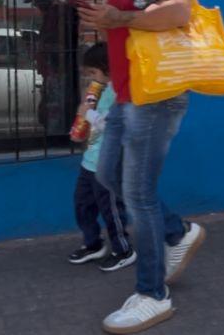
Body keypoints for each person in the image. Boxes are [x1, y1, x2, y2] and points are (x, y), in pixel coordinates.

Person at [76, 0, 205, 334]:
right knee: (109, 175)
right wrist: (107, 20)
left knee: (138, 194)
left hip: (158, 97)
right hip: (127, 96)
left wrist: (120, 17)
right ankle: (177, 232)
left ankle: (153, 294)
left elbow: (178, 11)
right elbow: (127, 28)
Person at [68, 42, 136, 273]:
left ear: (109, 68)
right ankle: (93, 243)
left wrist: (90, 114)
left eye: (94, 72)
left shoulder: (122, 91)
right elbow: (90, 121)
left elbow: (115, 124)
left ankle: (123, 249)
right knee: (82, 204)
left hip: (109, 162)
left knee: (111, 209)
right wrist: (82, 120)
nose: (92, 78)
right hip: (90, 160)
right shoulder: (101, 90)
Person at [25, 0, 67, 137]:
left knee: (53, 110)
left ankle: (55, 139)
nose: (35, 6)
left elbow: (61, 44)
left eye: (35, 2)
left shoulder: (58, 14)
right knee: (48, 109)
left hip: (56, 72)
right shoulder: (52, 14)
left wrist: (41, 48)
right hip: (50, 72)